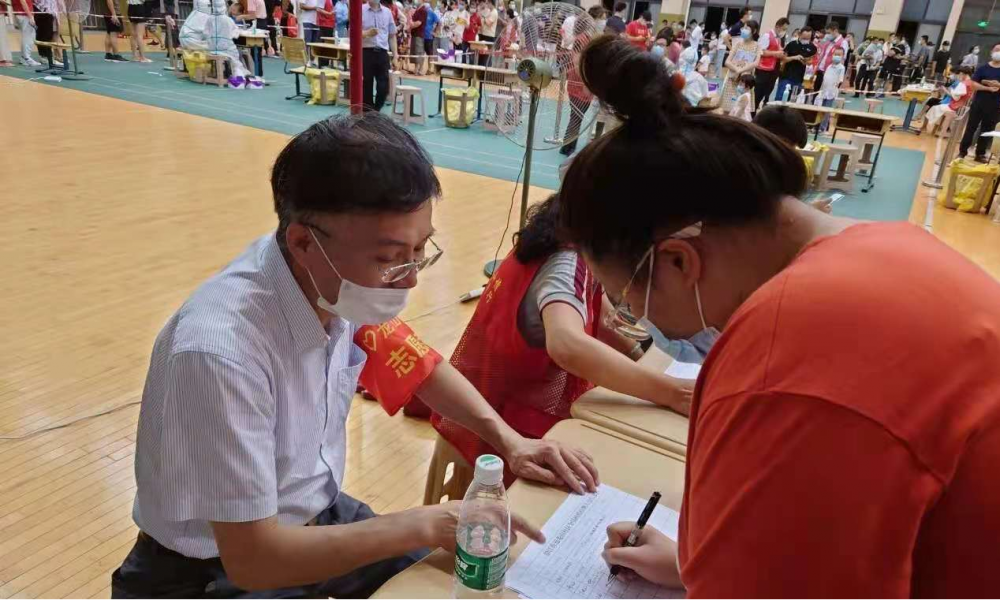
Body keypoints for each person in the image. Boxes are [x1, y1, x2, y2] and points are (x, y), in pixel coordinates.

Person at [559, 36, 1000, 600]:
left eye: (625, 299)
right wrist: (705, 563)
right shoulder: (888, 244)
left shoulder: (784, 366)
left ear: (677, 261)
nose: (636, 318)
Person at [110, 113, 599, 600]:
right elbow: (254, 560)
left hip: (315, 514)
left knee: (471, 583)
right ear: (303, 241)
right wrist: (424, 524)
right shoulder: (221, 353)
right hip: (213, 570)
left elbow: (422, 368)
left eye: (420, 249)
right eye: (389, 258)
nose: (411, 277)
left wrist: (511, 441)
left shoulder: (328, 281)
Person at [435, 194, 693, 476]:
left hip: (495, 400)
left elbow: (594, 309)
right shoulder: (566, 265)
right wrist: (672, 393)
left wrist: (639, 357)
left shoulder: (566, 237)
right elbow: (567, 345)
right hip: (506, 425)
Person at [179, 0, 252, 85]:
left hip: (212, 48)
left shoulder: (209, 19)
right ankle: (241, 75)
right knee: (237, 56)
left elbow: (205, 33)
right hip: (226, 49)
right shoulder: (227, 20)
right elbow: (235, 34)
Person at [959, 43, 1000, 162]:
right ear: (992, 51)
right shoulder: (983, 68)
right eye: (997, 49)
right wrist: (987, 87)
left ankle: (980, 154)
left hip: (995, 105)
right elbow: (973, 84)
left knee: (987, 130)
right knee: (970, 128)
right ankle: (962, 152)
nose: (998, 52)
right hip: (979, 103)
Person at [359, 0, 396, 112]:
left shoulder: (387, 12)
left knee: (384, 86)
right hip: (366, 52)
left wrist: (396, 55)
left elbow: (392, 36)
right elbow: (352, 32)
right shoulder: (360, 10)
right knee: (366, 84)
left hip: (382, 53)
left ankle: (376, 110)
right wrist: (366, 33)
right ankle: (368, 112)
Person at [720, 19, 760, 114]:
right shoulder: (738, 44)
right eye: (743, 28)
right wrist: (737, 69)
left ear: (754, 31)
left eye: (747, 28)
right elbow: (727, 61)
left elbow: (756, 63)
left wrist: (741, 70)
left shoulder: (757, 46)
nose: (743, 30)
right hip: (732, 79)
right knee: (727, 108)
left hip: (745, 81)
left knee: (742, 109)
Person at [920, 66, 973, 136]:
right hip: (954, 103)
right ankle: (926, 122)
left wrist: (949, 91)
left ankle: (939, 129)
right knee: (933, 103)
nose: (959, 75)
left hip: (954, 105)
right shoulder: (966, 83)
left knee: (934, 106)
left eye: (960, 74)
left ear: (963, 74)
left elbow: (956, 97)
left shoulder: (963, 83)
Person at [775, 26, 815, 103]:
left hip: (799, 78)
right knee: (780, 99)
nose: (806, 40)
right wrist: (794, 57)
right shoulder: (792, 44)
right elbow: (783, 59)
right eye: (804, 38)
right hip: (786, 76)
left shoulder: (812, 47)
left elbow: (810, 61)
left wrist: (806, 61)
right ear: (800, 34)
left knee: (792, 101)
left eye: (808, 38)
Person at [754, 17, 788, 106]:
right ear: (777, 26)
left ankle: (762, 106)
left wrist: (782, 52)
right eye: (783, 29)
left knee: (768, 90)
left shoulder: (778, 38)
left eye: (785, 30)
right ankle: (753, 109)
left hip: (774, 69)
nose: (784, 31)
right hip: (764, 69)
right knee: (758, 92)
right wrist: (775, 53)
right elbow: (761, 51)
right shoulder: (767, 35)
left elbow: (778, 49)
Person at [812, 22, 848, 95]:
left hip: (831, 73)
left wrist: (838, 76)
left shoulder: (843, 42)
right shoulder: (827, 41)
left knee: (825, 94)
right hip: (820, 70)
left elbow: (842, 59)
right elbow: (822, 55)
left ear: (835, 31)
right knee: (816, 92)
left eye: (829, 33)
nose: (827, 35)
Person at [816, 46, 845, 131]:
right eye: (835, 54)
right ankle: (817, 125)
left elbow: (840, 80)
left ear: (842, 56)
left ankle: (823, 128)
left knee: (827, 110)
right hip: (823, 91)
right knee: (820, 109)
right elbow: (825, 79)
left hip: (831, 93)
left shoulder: (841, 68)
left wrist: (835, 89)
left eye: (839, 55)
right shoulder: (829, 66)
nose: (837, 56)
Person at [477, 0, 497, 65]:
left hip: (489, 36)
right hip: (483, 34)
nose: (487, 5)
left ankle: (487, 69)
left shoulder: (494, 12)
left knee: (487, 56)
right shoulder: (488, 11)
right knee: (481, 55)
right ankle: (480, 69)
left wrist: (483, 16)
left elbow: (489, 23)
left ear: (491, 3)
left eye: (488, 3)